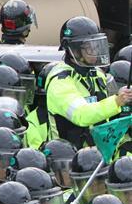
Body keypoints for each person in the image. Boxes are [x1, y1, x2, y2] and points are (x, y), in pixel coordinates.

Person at [46, 16, 132, 148]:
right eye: (89, 48)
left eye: (97, 46)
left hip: (100, 155)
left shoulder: (97, 74)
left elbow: (108, 116)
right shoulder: (60, 82)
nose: (95, 52)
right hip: (68, 159)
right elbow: (82, 115)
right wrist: (117, 101)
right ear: (73, 49)